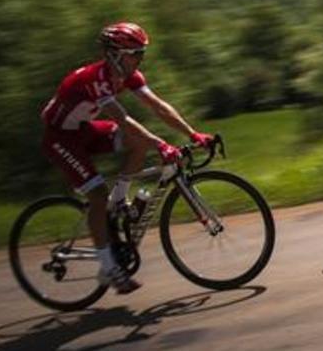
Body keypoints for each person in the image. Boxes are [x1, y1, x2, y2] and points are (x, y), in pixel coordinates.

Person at [40, 22, 215, 294]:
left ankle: (119, 199)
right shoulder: (96, 78)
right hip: (61, 138)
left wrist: (192, 134)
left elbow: (158, 107)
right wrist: (162, 144)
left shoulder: (127, 76)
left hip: (84, 130)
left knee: (137, 142)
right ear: (114, 54)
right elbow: (122, 119)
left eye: (141, 53)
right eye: (134, 53)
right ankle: (109, 268)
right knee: (97, 193)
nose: (139, 59)